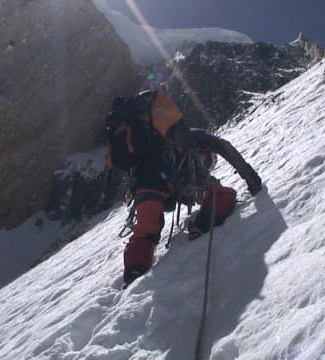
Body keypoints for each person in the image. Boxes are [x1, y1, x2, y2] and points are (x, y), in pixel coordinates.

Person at [104, 89, 262, 286]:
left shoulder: (149, 141)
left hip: (144, 182)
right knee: (222, 195)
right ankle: (203, 223)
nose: (206, 165)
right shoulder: (192, 139)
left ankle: (134, 272)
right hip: (175, 177)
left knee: (146, 227)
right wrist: (251, 177)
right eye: (207, 162)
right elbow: (223, 146)